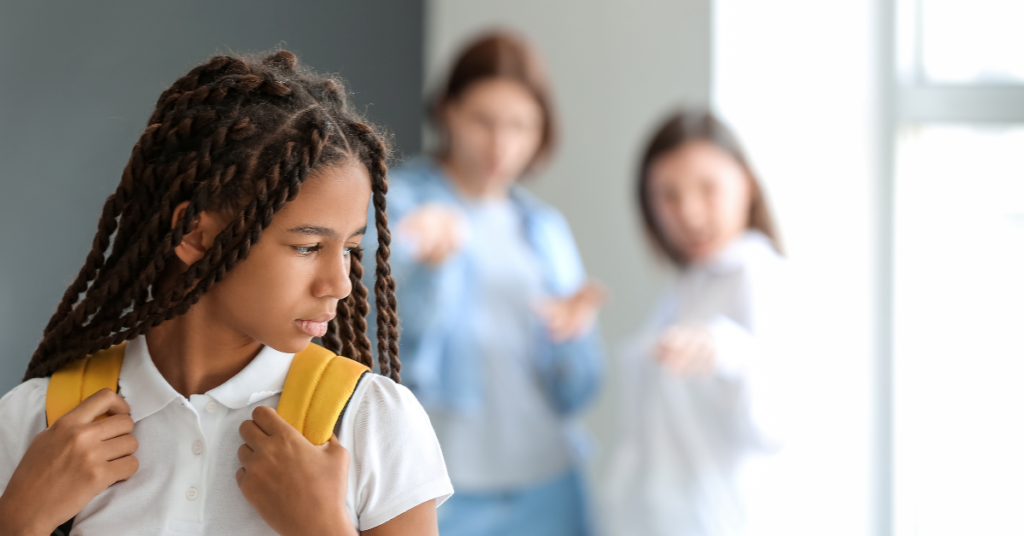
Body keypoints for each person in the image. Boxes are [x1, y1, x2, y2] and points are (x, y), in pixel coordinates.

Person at [0, 51, 452, 536]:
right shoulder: (38, 421)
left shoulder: (370, 420)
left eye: (349, 249)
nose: (340, 284)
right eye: (307, 246)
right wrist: (19, 520)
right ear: (194, 233)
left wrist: (323, 528)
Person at [366, 32, 605, 536]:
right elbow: (376, 357)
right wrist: (427, 268)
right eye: (484, 121)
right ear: (448, 111)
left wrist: (576, 333)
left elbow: (579, 390)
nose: (501, 144)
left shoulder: (545, 229)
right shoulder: (400, 205)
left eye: (521, 126)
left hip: (550, 480)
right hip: (444, 485)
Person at [604, 110, 793, 536]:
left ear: (746, 182)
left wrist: (728, 351)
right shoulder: (690, 285)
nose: (689, 213)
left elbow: (773, 427)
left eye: (708, 189)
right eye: (668, 196)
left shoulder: (758, 276)